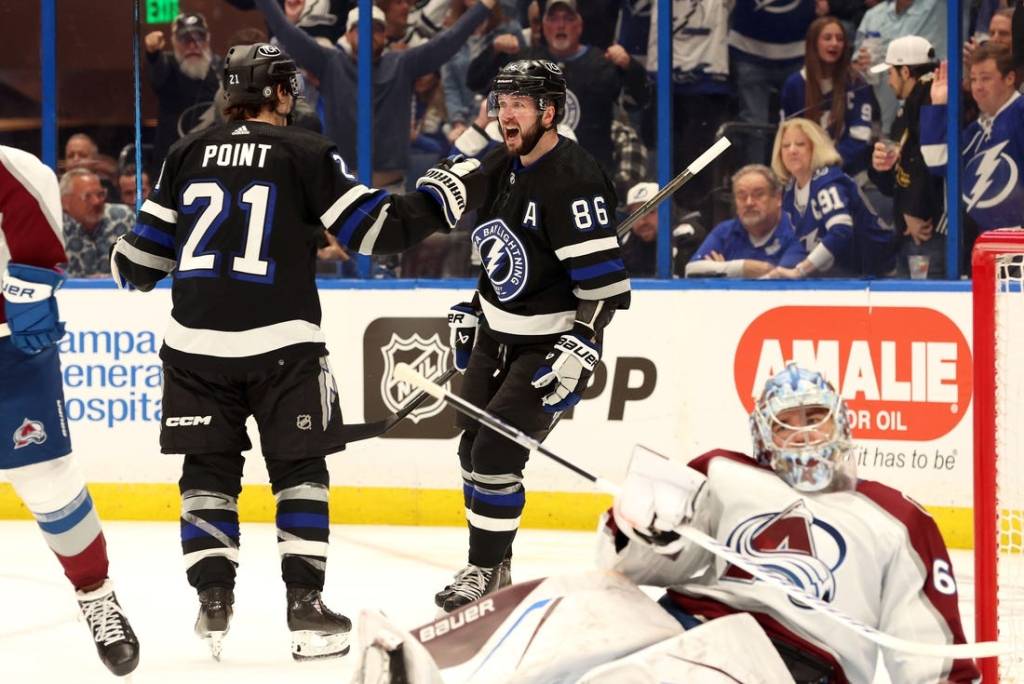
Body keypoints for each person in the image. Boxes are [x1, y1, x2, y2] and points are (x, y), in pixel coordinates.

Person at [109, 43, 487, 659]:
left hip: (194, 351)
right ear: (278, 93)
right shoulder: (305, 152)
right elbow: (376, 231)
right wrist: (441, 195)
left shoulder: (186, 153)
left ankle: (212, 601)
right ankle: (306, 611)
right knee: (299, 473)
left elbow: (139, 268)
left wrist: (123, 249)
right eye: (289, 87)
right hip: (283, 347)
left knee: (206, 475)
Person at [598, 361, 981, 682]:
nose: (803, 433)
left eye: (816, 418)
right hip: (691, 630)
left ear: (842, 425)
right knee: (572, 603)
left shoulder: (897, 518)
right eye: (785, 423)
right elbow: (628, 571)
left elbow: (934, 658)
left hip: (801, 665)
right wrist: (639, 529)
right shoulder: (723, 471)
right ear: (762, 436)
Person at [436, 59, 631, 613]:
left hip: (550, 346)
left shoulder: (576, 180)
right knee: (472, 445)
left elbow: (603, 286)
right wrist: (475, 308)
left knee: (497, 453)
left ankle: (480, 570)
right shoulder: (505, 164)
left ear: (549, 111)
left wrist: (583, 342)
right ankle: (495, 562)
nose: (506, 114)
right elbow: (498, 249)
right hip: (497, 338)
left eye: (519, 104)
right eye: (502, 103)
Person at [0, 145, 140, 677]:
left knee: (49, 481)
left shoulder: (15, 170)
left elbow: (36, 258)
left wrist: (29, 296)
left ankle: (95, 594)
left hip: (6, 349)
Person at [256, 0, 495, 191]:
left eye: (377, 28)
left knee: (387, 250)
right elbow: (286, 32)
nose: (369, 33)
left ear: (385, 35)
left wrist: (483, 8)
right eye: (360, 28)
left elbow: (447, 42)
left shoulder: (401, 64)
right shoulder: (330, 63)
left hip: (389, 189)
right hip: (342, 188)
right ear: (348, 35)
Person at [467, 0, 651, 177]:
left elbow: (643, 99)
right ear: (544, 26)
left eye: (568, 18)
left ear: (579, 25)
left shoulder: (601, 63)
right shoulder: (526, 62)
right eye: (553, 19)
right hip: (536, 178)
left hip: (590, 178)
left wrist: (630, 67)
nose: (561, 25)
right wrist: (494, 50)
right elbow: (474, 82)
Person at [768, 118, 896, 277]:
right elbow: (798, 243)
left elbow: (840, 231)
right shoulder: (789, 191)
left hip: (879, 272)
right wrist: (779, 271)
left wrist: (800, 270)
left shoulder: (828, 181)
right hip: (845, 273)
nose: (792, 150)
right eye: (785, 146)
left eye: (800, 144)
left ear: (815, 149)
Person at [921, 43, 1024, 238]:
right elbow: (938, 162)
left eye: (986, 79)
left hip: (1016, 244)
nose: (977, 87)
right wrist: (938, 104)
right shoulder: (980, 128)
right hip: (988, 242)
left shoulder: (1020, 114)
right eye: (974, 79)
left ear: (1009, 78)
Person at [867, 35, 945, 278]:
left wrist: (913, 211)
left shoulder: (929, 99)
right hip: (913, 230)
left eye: (890, 73)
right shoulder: (911, 105)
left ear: (905, 72)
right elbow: (897, 180)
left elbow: (928, 162)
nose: (888, 82)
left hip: (926, 232)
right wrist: (879, 168)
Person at [780, 16, 879, 178]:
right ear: (813, 44)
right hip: (805, 174)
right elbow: (786, 136)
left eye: (840, 39)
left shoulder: (856, 82)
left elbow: (860, 133)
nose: (834, 43)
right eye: (827, 38)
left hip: (849, 174)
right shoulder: (794, 85)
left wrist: (827, 163)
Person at [685, 165, 806, 278]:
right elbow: (691, 270)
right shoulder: (725, 231)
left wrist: (720, 271)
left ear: (778, 198)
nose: (749, 203)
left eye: (758, 194)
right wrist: (742, 267)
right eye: (741, 196)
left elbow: (782, 279)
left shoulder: (797, 230)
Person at [144, 12, 224, 164]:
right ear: (174, 42)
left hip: (213, 161)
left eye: (199, 38)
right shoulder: (168, 66)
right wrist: (153, 54)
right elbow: (157, 75)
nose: (193, 45)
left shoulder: (221, 69)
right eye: (185, 39)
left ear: (208, 39)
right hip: (173, 164)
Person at [619, 181, 706, 277]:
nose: (641, 222)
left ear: (668, 211)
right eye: (634, 215)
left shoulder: (686, 234)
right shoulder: (627, 239)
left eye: (650, 212)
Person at [60, 168, 135, 278]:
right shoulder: (54, 228)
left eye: (100, 194)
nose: (97, 201)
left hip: (120, 293)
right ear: (65, 201)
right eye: (87, 196)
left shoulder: (124, 218)